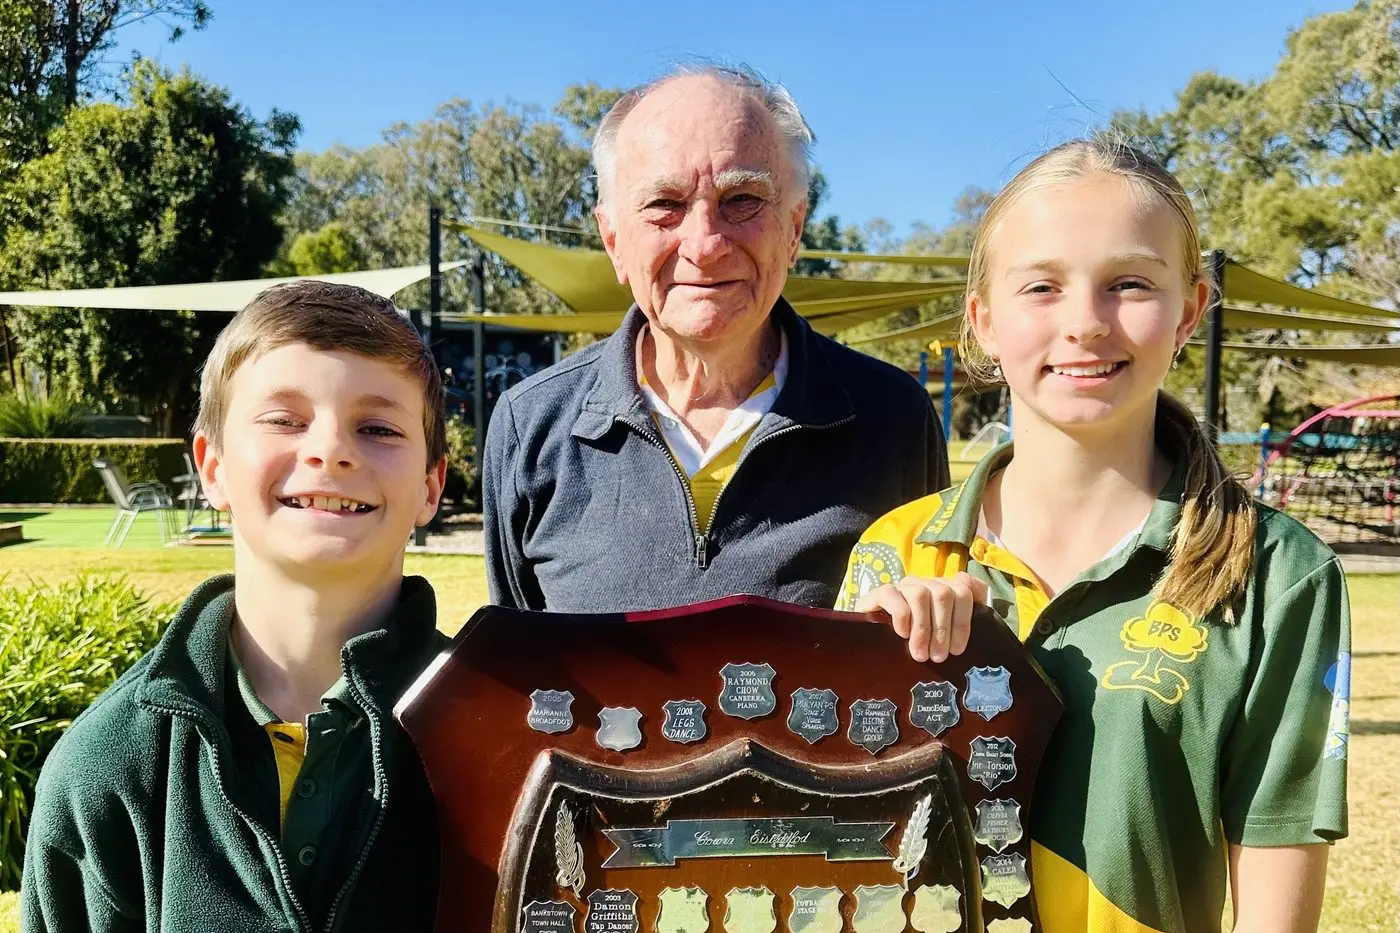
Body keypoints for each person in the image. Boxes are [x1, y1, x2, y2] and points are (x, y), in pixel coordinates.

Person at [838, 139, 1349, 933]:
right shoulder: (892, 551)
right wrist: (876, 667)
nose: (1085, 323)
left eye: (1130, 284)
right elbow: (827, 845)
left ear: (1188, 310)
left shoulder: (1280, 571)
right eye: (1041, 286)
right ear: (984, 320)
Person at [21, 282, 449, 932]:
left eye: (378, 426)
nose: (330, 449)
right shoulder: (106, 768)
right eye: (284, 419)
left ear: (430, 486)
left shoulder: (508, 737)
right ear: (212, 467)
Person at [484, 64, 948, 612]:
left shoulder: (893, 420)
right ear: (613, 241)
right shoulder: (530, 426)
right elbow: (519, 672)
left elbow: (920, 673)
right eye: (664, 205)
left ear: (794, 229)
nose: (704, 244)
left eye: (742, 200)